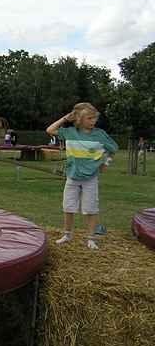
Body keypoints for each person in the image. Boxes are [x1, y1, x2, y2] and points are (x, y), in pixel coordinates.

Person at [46, 102, 118, 249]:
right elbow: (50, 130)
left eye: (94, 118)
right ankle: (67, 234)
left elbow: (113, 148)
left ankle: (91, 238)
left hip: (91, 179)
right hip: (72, 177)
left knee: (90, 209)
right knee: (68, 207)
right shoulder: (70, 132)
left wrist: (106, 162)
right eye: (89, 118)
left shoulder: (100, 135)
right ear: (79, 119)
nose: (93, 121)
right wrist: (66, 118)